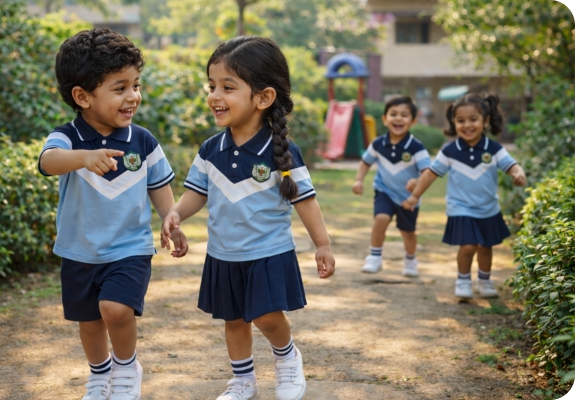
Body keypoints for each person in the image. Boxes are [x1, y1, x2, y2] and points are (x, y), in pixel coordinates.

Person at [161, 36, 335, 400]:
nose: (215, 96)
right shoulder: (211, 149)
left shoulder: (281, 151)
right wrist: (176, 213)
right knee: (234, 320)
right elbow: (197, 193)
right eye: (211, 86)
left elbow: (305, 200)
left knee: (267, 317)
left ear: (263, 97)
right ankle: (243, 381)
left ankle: (287, 358)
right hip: (223, 253)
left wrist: (322, 244)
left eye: (227, 87)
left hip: (269, 252)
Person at [38, 28, 188, 400]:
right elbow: (48, 162)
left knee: (116, 309)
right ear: (82, 96)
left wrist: (171, 219)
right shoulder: (68, 137)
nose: (133, 96)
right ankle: (99, 373)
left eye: (136, 85)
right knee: (89, 321)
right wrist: (84, 158)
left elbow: (158, 185)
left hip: (130, 247)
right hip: (80, 250)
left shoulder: (143, 140)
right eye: (120, 88)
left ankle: (125, 369)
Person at [402, 93, 526, 299]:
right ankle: (463, 281)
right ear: (454, 123)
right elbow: (430, 174)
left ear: (485, 121)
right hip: (461, 208)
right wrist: (415, 195)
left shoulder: (493, 149)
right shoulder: (450, 151)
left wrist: (518, 173)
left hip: (488, 208)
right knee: (468, 246)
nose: (467, 125)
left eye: (473, 119)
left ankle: (484, 281)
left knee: (485, 247)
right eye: (460, 120)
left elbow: (511, 165)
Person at [352, 96, 431, 277]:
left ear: (413, 121)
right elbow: (365, 162)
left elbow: (427, 172)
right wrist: (359, 180)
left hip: (408, 197)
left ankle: (410, 260)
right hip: (384, 191)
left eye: (404, 115)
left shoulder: (416, 147)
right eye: (393, 114)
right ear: (385, 119)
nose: (398, 118)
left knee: (408, 232)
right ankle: (374, 257)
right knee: (380, 219)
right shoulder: (378, 143)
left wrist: (417, 182)